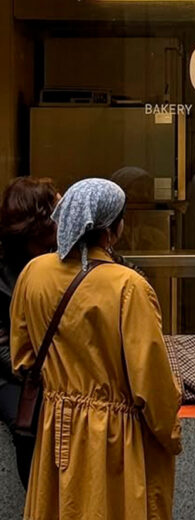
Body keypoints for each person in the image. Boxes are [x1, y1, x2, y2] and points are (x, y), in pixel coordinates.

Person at [10, 178, 182, 520]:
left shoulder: (34, 272)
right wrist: (170, 434)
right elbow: (150, 381)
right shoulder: (128, 286)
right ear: (113, 228)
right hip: (115, 436)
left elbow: (23, 357)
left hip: (55, 429)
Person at [0, 177, 59, 489]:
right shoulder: (4, 269)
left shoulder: (61, 254)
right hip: (14, 373)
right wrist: (37, 374)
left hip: (52, 367)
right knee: (28, 427)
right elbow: (1, 347)